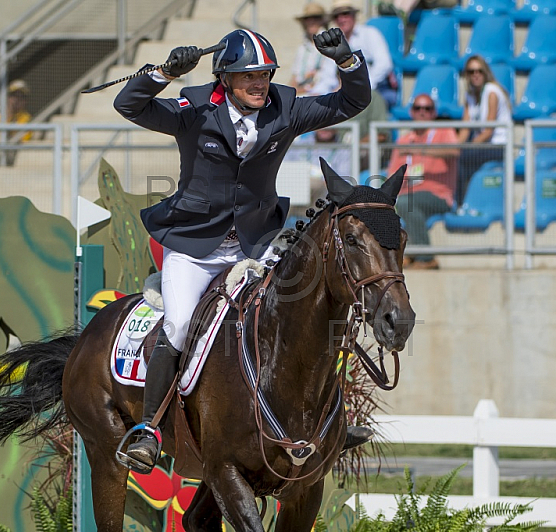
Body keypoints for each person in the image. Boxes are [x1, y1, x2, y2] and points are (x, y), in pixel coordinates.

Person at [113, 28, 374, 469]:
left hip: (257, 244)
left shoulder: (285, 109)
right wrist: (161, 73)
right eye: (249, 76)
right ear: (225, 78)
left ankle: (326, 422)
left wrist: (346, 61)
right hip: (196, 246)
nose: (260, 83)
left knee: (307, 311)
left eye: (265, 74)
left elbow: (352, 102)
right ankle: (148, 430)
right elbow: (129, 104)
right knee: (178, 325)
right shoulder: (194, 109)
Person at [387, 94, 459, 270]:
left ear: (434, 113)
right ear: (411, 112)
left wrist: (420, 150)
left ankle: (426, 257)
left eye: (427, 109)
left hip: (438, 195)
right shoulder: (404, 140)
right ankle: (409, 252)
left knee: (406, 203)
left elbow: (455, 151)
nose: (422, 113)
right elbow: (392, 174)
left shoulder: (444, 131)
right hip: (408, 194)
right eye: (418, 108)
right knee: (391, 204)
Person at [313, 0, 397, 108]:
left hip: (377, 89)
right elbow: (328, 76)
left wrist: (361, 87)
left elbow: (384, 64)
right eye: (336, 16)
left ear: (354, 15)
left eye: (345, 14)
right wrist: (317, 94)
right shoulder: (335, 43)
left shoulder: (370, 33)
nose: (341, 19)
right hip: (346, 93)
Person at [456, 55, 511, 206]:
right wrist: (454, 147)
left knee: (461, 159)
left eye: (479, 70)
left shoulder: (492, 92)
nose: (476, 74)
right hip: (484, 144)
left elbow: (488, 131)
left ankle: (459, 204)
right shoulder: (470, 95)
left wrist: (465, 148)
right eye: (471, 71)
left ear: (485, 72)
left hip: (498, 145)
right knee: (455, 157)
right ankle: (459, 203)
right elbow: (465, 128)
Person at [290, 3, 336, 96]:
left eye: (315, 18)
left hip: (324, 94)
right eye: (307, 19)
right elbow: (295, 77)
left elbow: (332, 77)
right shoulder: (302, 48)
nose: (311, 22)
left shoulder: (331, 44)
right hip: (302, 94)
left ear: (322, 21)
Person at [0, 79, 32, 144]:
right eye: (14, 96)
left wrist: (12, 117)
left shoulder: (27, 119)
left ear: (25, 101)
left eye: (22, 97)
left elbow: (21, 141)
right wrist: (8, 116)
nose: (17, 100)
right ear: (8, 97)